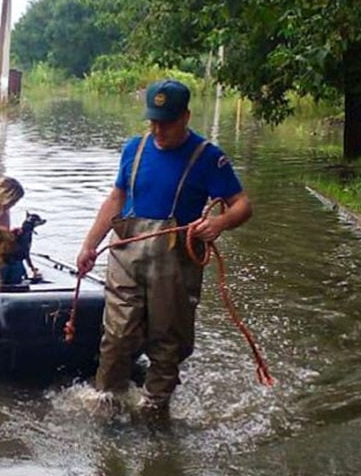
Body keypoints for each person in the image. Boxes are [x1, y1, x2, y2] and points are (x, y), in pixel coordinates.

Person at [75, 79, 252, 413]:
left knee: (168, 341)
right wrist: (89, 245)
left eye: (166, 122)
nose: (158, 129)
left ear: (185, 117)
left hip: (175, 263)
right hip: (126, 255)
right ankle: (107, 401)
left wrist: (219, 223)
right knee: (117, 334)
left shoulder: (208, 158)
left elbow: (242, 204)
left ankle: (155, 410)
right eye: (153, 120)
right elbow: (116, 198)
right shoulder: (133, 149)